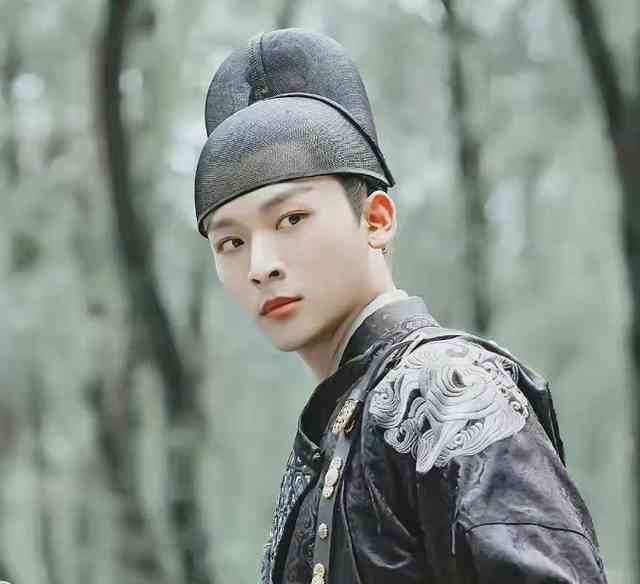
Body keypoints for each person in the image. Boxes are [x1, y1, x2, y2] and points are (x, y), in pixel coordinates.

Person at [194, 28, 608, 584]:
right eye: (231, 242)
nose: (259, 264)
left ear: (377, 219)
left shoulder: (447, 389)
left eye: (291, 219)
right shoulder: (332, 426)